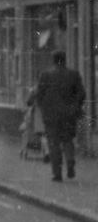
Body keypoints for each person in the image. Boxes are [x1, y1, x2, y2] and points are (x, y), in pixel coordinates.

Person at [34, 50, 86, 182]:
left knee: (54, 143)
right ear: (65, 60)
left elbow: (39, 94)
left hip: (51, 116)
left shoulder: (45, 75)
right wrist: (75, 106)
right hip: (68, 114)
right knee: (68, 140)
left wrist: (44, 108)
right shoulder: (73, 74)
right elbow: (81, 94)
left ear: (53, 60)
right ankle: (70, 161)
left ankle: (57, 173)